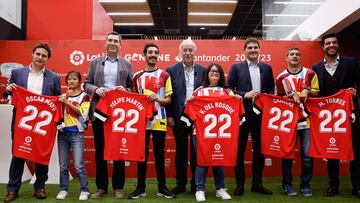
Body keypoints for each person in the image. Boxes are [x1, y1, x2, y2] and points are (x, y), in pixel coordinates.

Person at [3, 43, 61, 202]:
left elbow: (57, 99)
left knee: (41, 154)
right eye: (38, 54)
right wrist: (8, 90)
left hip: (43, 123)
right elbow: (7, 93)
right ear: (33, 54)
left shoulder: (54, 77)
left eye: (44, 55)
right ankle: (12, 189)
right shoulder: (17, 73)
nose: (40, 57)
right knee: (18, 154)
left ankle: (40, 187)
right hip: (22, 121)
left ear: (47, 59)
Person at [83, 31, 133, 199]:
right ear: (105, 43)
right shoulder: (95, 62)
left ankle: (118, 187)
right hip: (99, 111)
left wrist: (125, 90)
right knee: (100, 150)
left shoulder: (127, 64)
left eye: (115, 41)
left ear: (120, 45)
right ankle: (101, 187)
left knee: (119, 150)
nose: (112, 43)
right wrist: (95, 89)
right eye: (110, 40)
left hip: (119, 114)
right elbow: (86, 84)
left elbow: (132, 88)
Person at [312, 33, 360, 198]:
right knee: (331, 150)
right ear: (323, 47)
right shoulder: (316, 67)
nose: (331, 45)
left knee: (355, 150)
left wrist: (357, 92)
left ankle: (357, 186)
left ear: (337, 44)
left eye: (334, 42)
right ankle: (333, 185)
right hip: (328, 118)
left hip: (349, 116)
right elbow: (316, 93)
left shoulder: (350, 62)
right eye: (328, 43)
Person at [128, 42, 175, 199]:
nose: (153, 54)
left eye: (156, 52)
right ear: (144, 55)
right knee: (142, 155)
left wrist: (158, 99)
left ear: (158, 55)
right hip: (141, 121)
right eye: (150, 52)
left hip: (159, 120)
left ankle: (162, 188)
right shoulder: (136, 76)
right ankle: (141, 188)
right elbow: (133, 100)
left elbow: (169, 100)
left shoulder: (164, 75)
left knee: (159, 155)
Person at [228, 38, 274, 196]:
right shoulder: (236, 67)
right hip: (242, 115)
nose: (253, 50)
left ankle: (257, 184)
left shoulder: (267, 68)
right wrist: (244, 94)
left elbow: (271, 92)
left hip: (261, 115)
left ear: (259, 49)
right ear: (244, 50)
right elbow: (228, 90)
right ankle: (240, 184)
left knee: (259, 151)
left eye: (255, 47)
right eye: (250, 48)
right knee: (239, 150)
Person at [190, 63, 241, 202]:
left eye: (217, 72)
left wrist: (238, 99)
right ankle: (200, 189)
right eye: (212, 71)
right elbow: (189, 109)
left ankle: (220, 188)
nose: (214, 73)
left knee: (219, 159)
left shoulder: (227, 91)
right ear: (207, 74)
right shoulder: (199, 91)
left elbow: (235, 108)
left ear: (221, 75)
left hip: (221, 133)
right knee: (202, 161)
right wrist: (189, 101)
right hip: (200, 132)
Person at [276, 48, 319, 197]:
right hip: (289, 122)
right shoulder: (281, 77)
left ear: (300, 57)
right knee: (287, 155)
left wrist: (307, 91)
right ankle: (287, 185)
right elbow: (279, 99)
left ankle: (305, 185)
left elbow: (317, 91)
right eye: (291, 54)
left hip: (307, 120)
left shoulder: (310, 73)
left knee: (307, 155)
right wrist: (291, 94)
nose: (294, 56)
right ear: (286, 58)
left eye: (297, 54)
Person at [166, 39, 206, 194]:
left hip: (198, 118)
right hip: (179, 116)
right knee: (181, 152)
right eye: (185, 50)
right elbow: (168, 94)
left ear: (195, 52)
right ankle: (180, 184)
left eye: (191, 50)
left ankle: (196, 184)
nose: (188, 53)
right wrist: (169, 115)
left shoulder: (203, 70)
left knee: (197, 152)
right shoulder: (171, 70)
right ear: (180, 52)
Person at [56, 71, 90, 201]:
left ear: (79, 81)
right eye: (69, 79)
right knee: (63, 165)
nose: (71, 81)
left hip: (77, 134)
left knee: (78, 165)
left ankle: (84, 190)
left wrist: (67, 102)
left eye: (74, 79)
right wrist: (63, 99)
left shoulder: (85, 96)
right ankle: (63, 189)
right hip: (62, 134)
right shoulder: (62, 96)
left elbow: (82, 113)